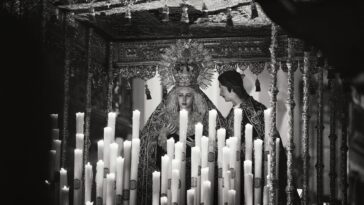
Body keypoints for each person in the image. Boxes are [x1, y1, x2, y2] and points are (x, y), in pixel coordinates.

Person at [137, 40, 225, 205]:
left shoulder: (207, 119)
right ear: (174, 98)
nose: (184, 99)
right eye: (180, 95)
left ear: (196, 98)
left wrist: (200, 148)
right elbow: (148, 154)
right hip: (170, 180)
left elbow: (221, 151)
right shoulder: (163, 119)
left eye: (188, 95)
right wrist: (161, 139)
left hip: (199, 182)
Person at [218, 70, 300, 204]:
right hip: (235, 175)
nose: (220, 93)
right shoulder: (233, 111)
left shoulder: (257, 111)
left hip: (256, 177)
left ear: (231, 89)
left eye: (221, 89)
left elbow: (269, 146)